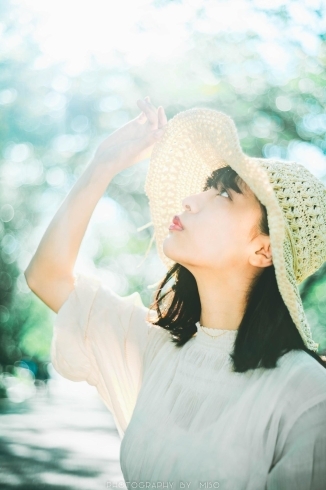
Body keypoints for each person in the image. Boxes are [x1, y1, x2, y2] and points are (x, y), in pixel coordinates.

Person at [25, 97, 326, 489]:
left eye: (223, 195)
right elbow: (45, 277)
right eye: (207, 188)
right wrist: (103, 164)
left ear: (263, 249)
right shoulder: (157, 347)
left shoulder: (306, 397)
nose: (190, 200)